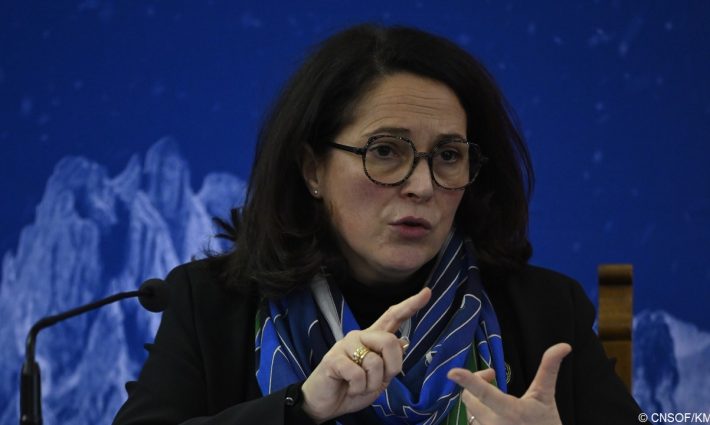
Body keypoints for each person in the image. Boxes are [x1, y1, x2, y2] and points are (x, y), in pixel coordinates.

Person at [113, 24, 642, 425]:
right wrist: (302, 408)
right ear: (312, 169)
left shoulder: (546, 310)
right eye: (386, 151)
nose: (422, 186)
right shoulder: (211, 302)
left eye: (448, 155)